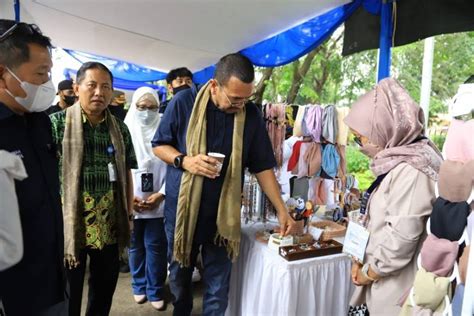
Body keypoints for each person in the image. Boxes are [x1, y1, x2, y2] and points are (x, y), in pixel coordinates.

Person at [152, 53, 297, 315]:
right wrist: (185, 161)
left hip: (224, 216)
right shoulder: (185, 102)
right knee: (180, 281)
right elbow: (159, 145)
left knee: (218, 288)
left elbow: (262, 166)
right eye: (235, 98)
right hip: (183, 213)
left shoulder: (250, 114)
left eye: (246, 98)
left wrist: (282, 210)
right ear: (215, 85)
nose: (240, 104)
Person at [344, 77, 443, 316]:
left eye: (361, 138)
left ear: (384, 128)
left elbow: (401, 239)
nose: (359, 145)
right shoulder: (402, 158)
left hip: (395, 294)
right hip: (383, 283)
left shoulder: (412, 168)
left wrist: (369, 272)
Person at [50, 61, 137, 316]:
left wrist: (129, 214)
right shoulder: (56, 124)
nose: (99, 92)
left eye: (106, 87)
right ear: (76, 89)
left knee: (103, 291)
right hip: (70, 225)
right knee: (69, 293)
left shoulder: (120, 129)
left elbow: (127, 173)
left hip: (109, 224)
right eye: (92, 85)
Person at [0, 19, 66, 315]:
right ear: (3, 75)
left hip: (52, 277)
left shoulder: (38, 120)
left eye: (49, 72)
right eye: (41, 74)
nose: (48, 84)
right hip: (12, 294)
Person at [124, 87, 168, 311]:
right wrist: (128, 196)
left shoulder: (164, 128)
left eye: (152, 107)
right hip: (132, 201)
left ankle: (156, 290)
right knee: (135, 247)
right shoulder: (125, 128)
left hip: (157, 202)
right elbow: (118, 166)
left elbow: (174, 166)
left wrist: (161, 193)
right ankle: (138, 286)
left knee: (156, 246)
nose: (146, 112)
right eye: (141, 107)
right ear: (134, 107)